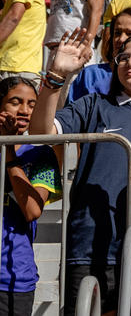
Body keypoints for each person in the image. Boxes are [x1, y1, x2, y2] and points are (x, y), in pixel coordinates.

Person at [31, 31, 131, 315]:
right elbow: (41, 132)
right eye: (123, 57)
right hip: (91, 245)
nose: (130, 62)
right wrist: (55, 77)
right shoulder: (93, 105)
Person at [0, 76, 60, 316]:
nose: (24, 110)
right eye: (15, 102)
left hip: (13, 277)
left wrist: (9, 155)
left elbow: (33, 210)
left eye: (32, 104)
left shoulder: (41, 153)